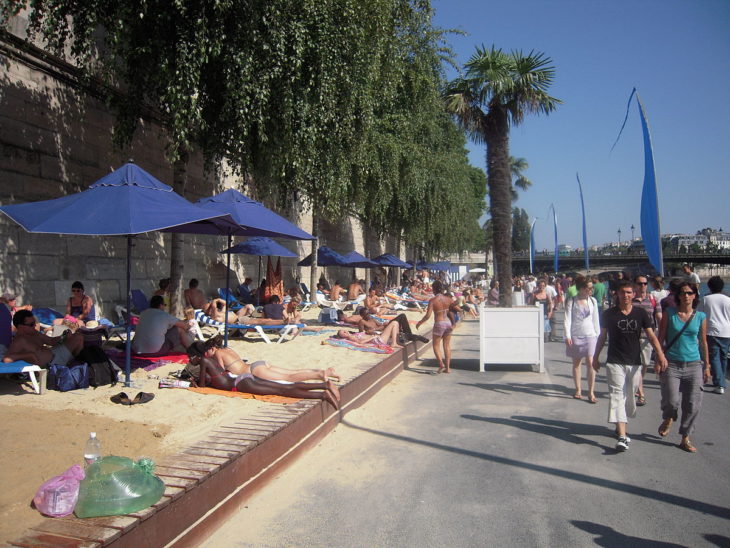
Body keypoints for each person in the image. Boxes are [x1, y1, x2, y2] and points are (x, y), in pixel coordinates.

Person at [592, 280, 667, 452]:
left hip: (634, 362)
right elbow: (602, 337)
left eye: (629, 292)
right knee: (617, 395)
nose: (625, 296)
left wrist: (660, 354)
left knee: (629, 398)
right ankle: (623, 437)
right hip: (614, 361)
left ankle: (620, 425)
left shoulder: (641, 314)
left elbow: (651, 335)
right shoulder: (609, 314)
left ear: (633, 294)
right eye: (622, 292)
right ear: (616, 294)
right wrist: (595, 357)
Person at [187, 338, 340, 408]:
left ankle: (323, 388)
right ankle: (322, 377)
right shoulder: (227, 349)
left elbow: (216, 375)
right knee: (290, 375)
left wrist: (197, 381)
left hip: (249, 374)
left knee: (285, 384)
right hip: (254, 367)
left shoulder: (213, 357)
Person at [656, 281, 710, 452]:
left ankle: (685, 437)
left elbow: (703, 342)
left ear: (695, 296)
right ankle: (669, 417)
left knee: (693, 404)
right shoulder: (669, 313)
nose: (686, 296)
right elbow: (661, 337)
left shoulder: (700, 316)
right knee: (671, 401)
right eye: (683, 293)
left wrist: (707, 366)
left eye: (689, 293)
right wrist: (659, 358)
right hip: (672, 363)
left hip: (694, 365)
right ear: (678, 296)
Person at [3, 309, 84, 367]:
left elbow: (51, 341)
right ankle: (74, 363)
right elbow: (6, 359)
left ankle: (75, 362)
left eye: (34, 323)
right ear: (21, 327)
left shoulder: (34, 333)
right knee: (79, 338)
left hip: (55, 354)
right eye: (31, 324)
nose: (35, 326)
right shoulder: (19, 341)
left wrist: (63, 336)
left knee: (78, 336)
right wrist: (28, 355)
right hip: (52, 363)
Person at [564, 279, 600, 402]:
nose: (591, 290)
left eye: (591, 288)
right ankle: (578, 389)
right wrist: (567, 335)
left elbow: (596, 319)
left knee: (590, 362)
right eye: (588, 288)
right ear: (581, 288)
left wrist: (598, 335)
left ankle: (591, 392)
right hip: (575, 334)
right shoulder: (572, 300)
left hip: (590, 334)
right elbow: (567, 319)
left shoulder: (593, 301)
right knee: (576, 363)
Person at [698, 276, 730, 395]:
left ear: (709, 287)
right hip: (727, 332)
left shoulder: (706, 299)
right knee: (723, 357)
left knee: (714, 357)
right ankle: (721, 380)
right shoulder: (728, 299)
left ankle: (719, 383)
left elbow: (699, 315)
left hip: (712, 331)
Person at [633, 274, 660, 407]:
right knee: (636, 366)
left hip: (647, 337)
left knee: (644, 365)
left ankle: (637, 385)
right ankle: (641, 393)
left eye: (644, 283)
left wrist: (662, 336)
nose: (642, 286)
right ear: (635, 285)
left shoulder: (652, 299)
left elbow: (658, 317)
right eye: (639, 283)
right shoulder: (630, 299)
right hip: (632, 338)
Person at [416, 280, 453, 373]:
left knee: (436, 345)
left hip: (439, 323)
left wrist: (420, 322)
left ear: (434, 289)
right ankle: (448, 368)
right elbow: (454, 310)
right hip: (448, 323)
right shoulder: (448, 299)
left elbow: (428, 315)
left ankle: (441, 364)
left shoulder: (432, 300)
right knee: (447, 346)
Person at [335, 320, 402, 348]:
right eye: (343, 333)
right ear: (343, 337)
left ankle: (395, 342)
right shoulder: (351, 337)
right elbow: (360, 342)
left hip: (378, 338)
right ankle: (394, 343)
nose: (345, 331)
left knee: (395, 325)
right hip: (378, 340)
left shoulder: (353, 335)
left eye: (344, 330)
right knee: (394, 323)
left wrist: (370, 332)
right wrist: (372, 337)